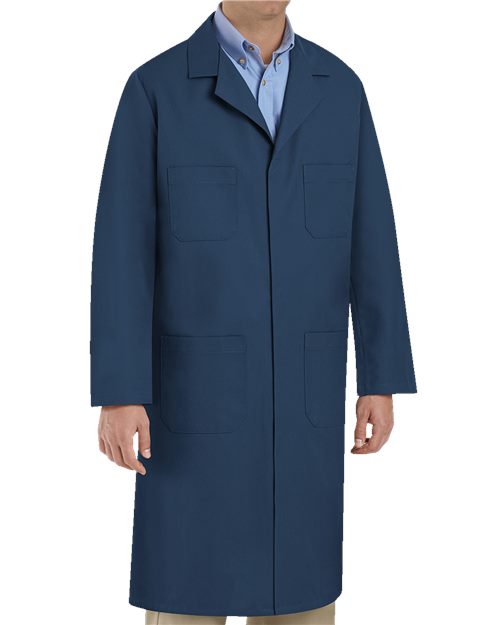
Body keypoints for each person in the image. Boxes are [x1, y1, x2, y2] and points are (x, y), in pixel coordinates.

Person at [90, 2, 417, 624]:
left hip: (303, 403)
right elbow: (122, 251)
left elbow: (371, 237)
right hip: (191, 407)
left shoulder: (340, 90)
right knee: (188, 593)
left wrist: (381, 377)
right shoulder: (156, 90)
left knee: (301, 596)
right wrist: (119, 391)